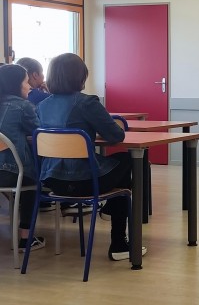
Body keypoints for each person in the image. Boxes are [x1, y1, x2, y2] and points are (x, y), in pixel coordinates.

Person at [36, 52, 146, 261]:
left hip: (52, 181)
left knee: (120, 171)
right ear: (80, 77)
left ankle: (113, 215)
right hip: (83, 180)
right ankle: (118, 242)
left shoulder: (42, 106)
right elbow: (115, 135)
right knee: (130, 160)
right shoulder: (87, 103)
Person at [0, 64, 45, 251]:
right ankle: (26, 238)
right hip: (10, 172)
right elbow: (40, 133)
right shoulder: (22, 106)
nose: (30, 87)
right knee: (32, 178)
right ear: (15, 84)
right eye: (26, 82)